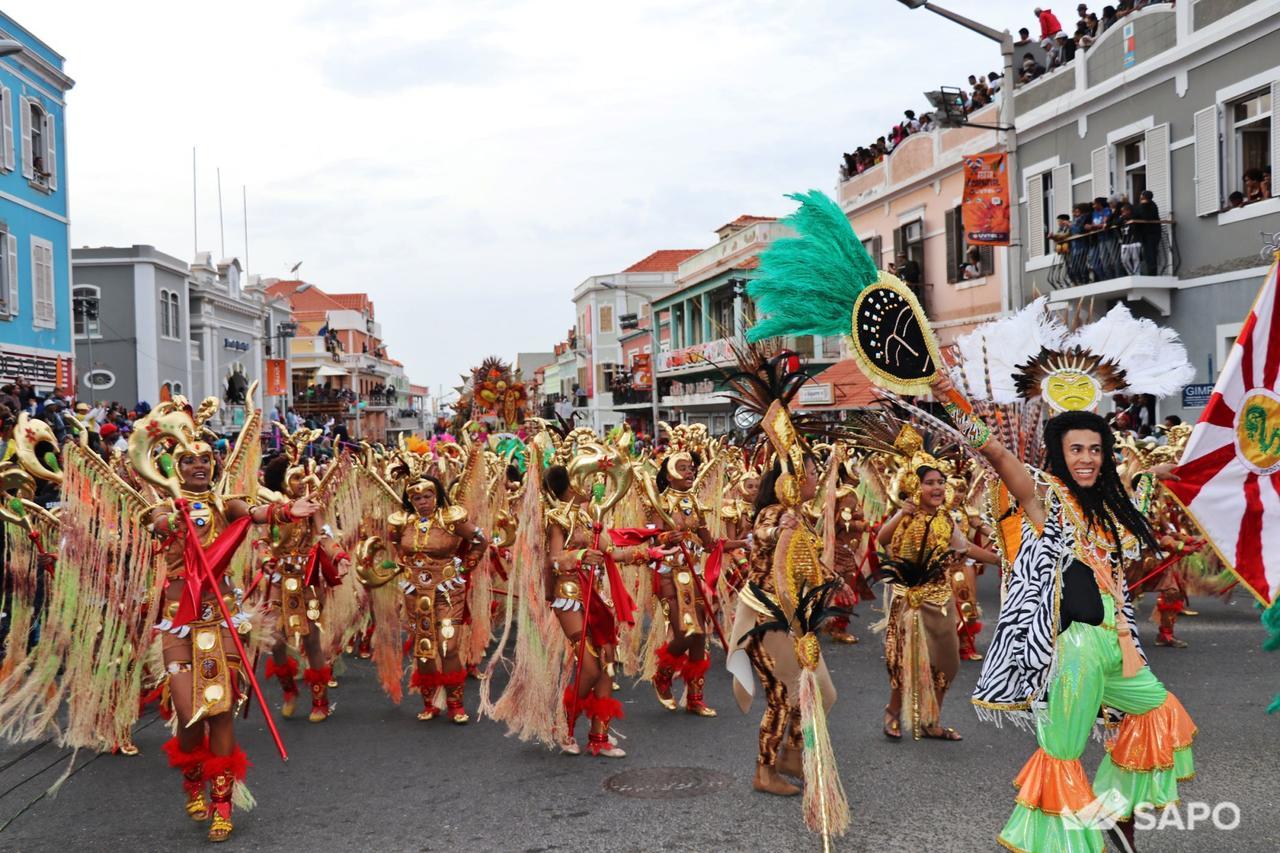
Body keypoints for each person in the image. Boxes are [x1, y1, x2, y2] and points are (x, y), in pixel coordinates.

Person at [937, 374, 1197, 853]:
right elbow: (997, 455)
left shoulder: (1107, 509)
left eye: (1095, 449)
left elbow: (1132, 499)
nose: (1087, 458)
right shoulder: (1045, 501)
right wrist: (949, 396)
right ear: (1060, 453)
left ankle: (1114, 815)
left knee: (1157, 711)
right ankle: (1062, 844)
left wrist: (1153, 476)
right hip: (1071, 649)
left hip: (1116, 645)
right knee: (1063, 754)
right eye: (1076, 449)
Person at [147, 416, 321, 842]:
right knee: (190, 713)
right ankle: (192, 778)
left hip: (223, 616)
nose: (198, 466)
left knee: (221, 708)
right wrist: (171, 520)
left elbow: (257, 512)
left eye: (205, 458)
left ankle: (222, 804)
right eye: (187, 460)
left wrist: (285, 510)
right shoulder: (165, 505)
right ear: (175, 468)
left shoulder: (227, 503)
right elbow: (155, 523)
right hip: (179, 621)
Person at [876, 427, 998, 742]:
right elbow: (882, 539)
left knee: (948, 663)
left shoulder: (946, 519)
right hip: (909, 600)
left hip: (940, 601)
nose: (938, 487)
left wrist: (1003, 561)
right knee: (906, 664)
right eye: (930, 482)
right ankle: (892, 713)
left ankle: (931, 719)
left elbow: (965, 548)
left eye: (941, 482)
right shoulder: (905, 515)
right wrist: (900, 512)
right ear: (915, 486)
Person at [388, 470, 487, 723]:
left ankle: (455, 704)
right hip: (415, 592)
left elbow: (479, 540)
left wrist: (467, 566)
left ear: (437, 495)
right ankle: (430, 702)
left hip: (447, 590)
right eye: (417, 497)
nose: (422, 501)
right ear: (410, 500)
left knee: (448, 646)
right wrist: (404, 562)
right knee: (424, 648)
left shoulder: (451, 518)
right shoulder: (403, 522)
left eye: (428, 495)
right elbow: (397, 544)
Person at [1133, 189, 1162, 275]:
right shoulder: (1148, 205)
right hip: (1146, 235)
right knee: (1146, 255)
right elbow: (1135, 215)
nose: (1140, 198)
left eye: (1142, 196)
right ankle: (1147, 273)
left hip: (1151, 234)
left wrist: (1143, 205)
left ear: (1144, 197)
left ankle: (1152, 274)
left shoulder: (1150, 206)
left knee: (1150, 255)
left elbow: (1146, 216)